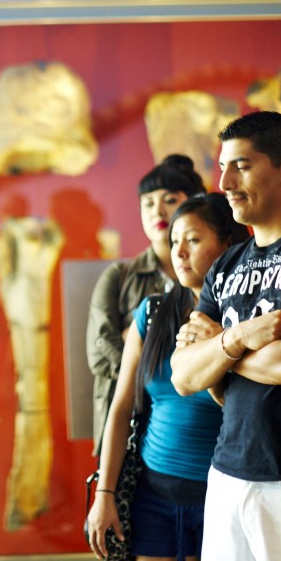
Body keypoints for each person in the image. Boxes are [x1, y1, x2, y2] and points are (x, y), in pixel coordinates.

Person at [170, 110, 281, 561]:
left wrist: (220, 355)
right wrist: (240, 337)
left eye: (242, 166)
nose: (224, 181)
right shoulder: (227, 264)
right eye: (223, 166)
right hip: (228, 471)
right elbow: (184, 376)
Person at [86, 193, 249, 561]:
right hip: (154, 494)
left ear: (228, 242)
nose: (179, 252)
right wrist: (104, 494)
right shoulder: (153, 312)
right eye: (174, 240)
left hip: (225, 496)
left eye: (193, 239)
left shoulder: (246, 318)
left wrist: (223, 342)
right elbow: (121, 406)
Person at [87, 154, 205, 456]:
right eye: (148, 203)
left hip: (196, 427)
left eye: (169, 199)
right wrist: (153, 363)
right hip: (131, 429)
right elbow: (99, 354)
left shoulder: (213, 276)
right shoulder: (120, 277)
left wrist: (138, 339)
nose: (158, 211)